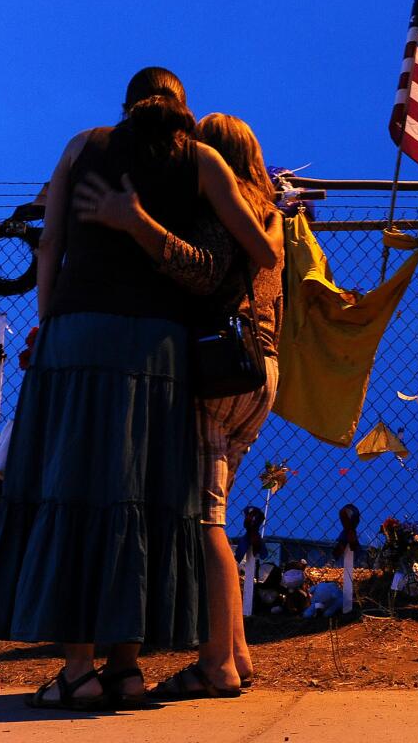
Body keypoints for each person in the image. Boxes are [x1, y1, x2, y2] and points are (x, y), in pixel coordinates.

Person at [0, 67, 277, 712]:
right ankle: (126, 669)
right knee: (138, 494)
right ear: (183, 109)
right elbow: (263, 250)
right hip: (160, 350)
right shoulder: (203, 161)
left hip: (79, 338)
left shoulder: (83, 147)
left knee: (75, 486)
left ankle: (77, 668)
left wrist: (49, 327)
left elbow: (50, 244)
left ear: (127, 105)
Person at [76, 113, 284, 699]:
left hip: (218, 372)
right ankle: (238, 654)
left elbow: (203, 270)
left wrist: (138, 226)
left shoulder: (222, 205)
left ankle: (215, 663)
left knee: (205, 523)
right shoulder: (269, 215)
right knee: (215, 508)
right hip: (261, 371)